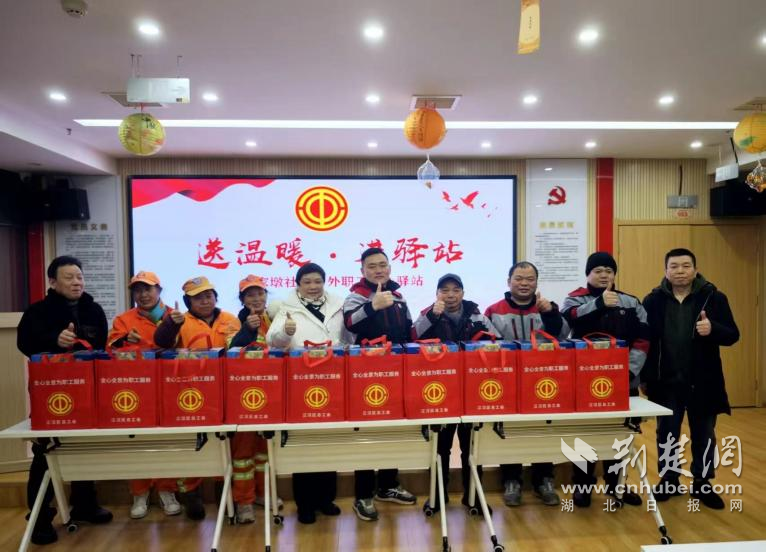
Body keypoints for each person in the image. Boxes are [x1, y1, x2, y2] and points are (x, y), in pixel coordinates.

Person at [17, 256, 112, 545]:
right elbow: (25, 344)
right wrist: (54, 341)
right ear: (53, 281)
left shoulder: (94, 309)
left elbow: (100, 345)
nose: (76, 282)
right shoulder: (37, 311)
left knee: (84, 445)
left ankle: (84, 504)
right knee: (46, 449)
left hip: (86, 388)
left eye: (79, 277)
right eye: (69, 277)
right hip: (52, 391)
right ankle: (40, 518)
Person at [641, 248, 739, 510]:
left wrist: (713, 329)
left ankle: (702, 482)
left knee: (704, 435)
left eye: (686, 266)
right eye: (674, 266)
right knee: (666, 434)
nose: (680, 271)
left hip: (702, 381)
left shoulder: (713, 298)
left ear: (695, 270)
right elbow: (646, 341)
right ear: (666, 271)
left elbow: (733, 335)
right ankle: (670, 479)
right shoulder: (653, 301)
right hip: (666, 382)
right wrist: (646, 378)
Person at [561, 252, 650, 507]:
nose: (603, 275)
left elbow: (643, 338)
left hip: (624, 380)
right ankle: (583, 486)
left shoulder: (630, 301)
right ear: (588, 274)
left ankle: (616, 484)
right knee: (585, 434)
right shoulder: (574, 299)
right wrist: (599, 303)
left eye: (608, 271)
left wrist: (629, 371)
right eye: (598, 270)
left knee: (621, 434)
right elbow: (569, 319)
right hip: (585, 381)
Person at [267, 263, 351, 524]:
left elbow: (348, 338)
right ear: (298, 285)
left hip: (333, 380)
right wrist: (286, 332)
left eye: (317, 281)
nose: (313, 287)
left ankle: (326, 499)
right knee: (303, 444)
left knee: (328, 442)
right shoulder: (286, 308)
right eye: (307, 282)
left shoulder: (338, 304)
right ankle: (305, 504)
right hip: (301, 383)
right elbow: (273, 341)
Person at [154, 276, 241, 520]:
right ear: (188, 302)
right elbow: (161, 343)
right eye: (198, 298)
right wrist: (171, 325)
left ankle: (225, 497)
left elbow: (238, 349)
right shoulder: (178, 320)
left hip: (224, 392)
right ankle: (192, 496)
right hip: (190, 393)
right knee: (193, 447)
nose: (205, 301)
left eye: (208, 296)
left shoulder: (230, 319)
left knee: (225, 446)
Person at [413, 273, 500, 512]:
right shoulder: (427, 314)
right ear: (437, 294)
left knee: (472, 447)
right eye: (445, 290)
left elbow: (497, 342)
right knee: (439, 448)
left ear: (463, 293)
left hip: (472, 391)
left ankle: (473, 496)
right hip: (439, 391)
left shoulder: (477, 316)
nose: (450, 295)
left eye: (455, 290)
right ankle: (437, 496)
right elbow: (411, 338)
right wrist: (432, 317)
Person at [484, 261, 567, 507]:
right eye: (519, 278)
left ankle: (544, 480)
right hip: (507, 382)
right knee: (509, 432)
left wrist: (550, 314)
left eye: (530, 279)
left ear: (536, 283)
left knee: (543, 430)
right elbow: (488, 346)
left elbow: (563, 337)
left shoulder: (547, 308)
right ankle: (511, 480)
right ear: (508, 281)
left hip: (542, 381)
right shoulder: (494, 310)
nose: (524, 283)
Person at [343, 247, 417, 521]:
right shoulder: (355, 296)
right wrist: (372, 306)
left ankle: (387, 485)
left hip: (397, 372)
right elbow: (350, 324)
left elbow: (409, 331)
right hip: (366, 375)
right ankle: (363, 494)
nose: (378, 270)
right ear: (362, 270)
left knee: (393, 430)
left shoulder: (398, 296)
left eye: (382, 265)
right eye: (372, 266)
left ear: (389, 268)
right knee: (367, 433)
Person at [107, 271, 182, 519]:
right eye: (138, 290)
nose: (143, 294)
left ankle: (167, 491)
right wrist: (125, 340)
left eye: (148, 289)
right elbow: (111, 349)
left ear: (159, 290)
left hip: (169, 387)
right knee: (136, 440)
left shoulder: (174, 315)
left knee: (167, 441)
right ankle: (139, 493)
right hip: (136, 389)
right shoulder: (124, 320)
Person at [228, 275, 283, 523]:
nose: (257, 298)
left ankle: (263, 494)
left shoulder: (274, 318)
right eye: (250, 295)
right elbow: (231, 350)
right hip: (244, 397)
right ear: (242, 299)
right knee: (243, 453)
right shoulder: (234, 321)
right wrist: (247, 329)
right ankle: (244, 502)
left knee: (264, 451)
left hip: (272, 393)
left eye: (260, 293)